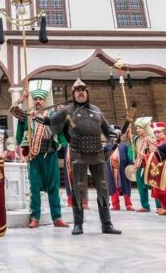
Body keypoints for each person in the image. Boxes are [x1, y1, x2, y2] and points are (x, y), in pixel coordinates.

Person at [34, 79, 121, 236]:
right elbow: (50, 121)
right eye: (77, 90)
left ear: (87, 93)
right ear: (73, 94)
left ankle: (107, 224)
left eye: (83, 90)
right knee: (78, 189)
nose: (81, 92)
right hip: (78, 153)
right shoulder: (67, 110)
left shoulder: (96, 110)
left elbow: (107, 130)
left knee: (103, 187)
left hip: (97, 153)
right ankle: (78, 224)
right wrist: (37, 117)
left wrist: (115, 134)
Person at [11, 84, 69, 229]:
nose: (38, 101)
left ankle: (57, 217)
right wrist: (22, 98)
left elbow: (64, 125)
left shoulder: (52, 116)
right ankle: (35, 217)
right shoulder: (27, 115)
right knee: (34, 187)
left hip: (50, 155)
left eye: (40, 99)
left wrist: (63, 113)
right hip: (34, 157)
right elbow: (12, 110)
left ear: (44, 102)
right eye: (35, 99)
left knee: (54, 187)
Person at [129, 117, 154, 212]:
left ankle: (160, 206)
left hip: (148, 164)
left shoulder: (150, 139)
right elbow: (132, 148)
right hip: (139, 164)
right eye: (137, 128)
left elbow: (154, 151)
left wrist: (146, 156)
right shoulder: (136, 139)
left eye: (140, 128)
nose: (138, 130)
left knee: (154, 185)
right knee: (141, 186)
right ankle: (145, 206)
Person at [107, 131, 134, 211]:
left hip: (123, 169)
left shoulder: (124, 146)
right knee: (113, 186)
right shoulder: (108, 146)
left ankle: (128, 205)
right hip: (112, 170)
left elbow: (129, 157)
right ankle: (115, 205)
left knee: (126, 186)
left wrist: (131, 167)